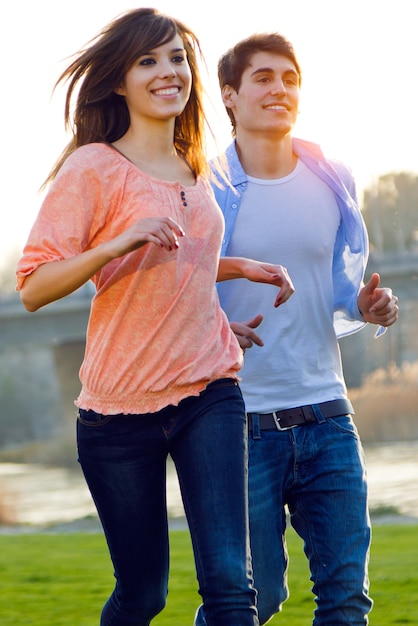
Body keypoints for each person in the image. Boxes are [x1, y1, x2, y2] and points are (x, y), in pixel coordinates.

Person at [15, 12, 296, 626]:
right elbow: (34, 286)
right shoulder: (93, 167)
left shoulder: (197, 165)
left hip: (208, 392)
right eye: (148, 61)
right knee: (143, 594)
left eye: (176, 58)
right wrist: (114, 244)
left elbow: (175, 262)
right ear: (118, 80)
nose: (168, 72)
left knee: (229, 585)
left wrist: (236, 268)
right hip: (118, 412)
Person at [195, 33, 399, 626]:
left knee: (346, 602)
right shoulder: (203, 189)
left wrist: (367, 306)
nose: (279, 89)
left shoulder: (332, 177)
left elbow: (336, 288)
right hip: (238, 426)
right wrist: (213, 325)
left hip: (329, 418)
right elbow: (173, 290)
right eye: (263, 78)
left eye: (289, 78)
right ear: (230, 96)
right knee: (243, 606)